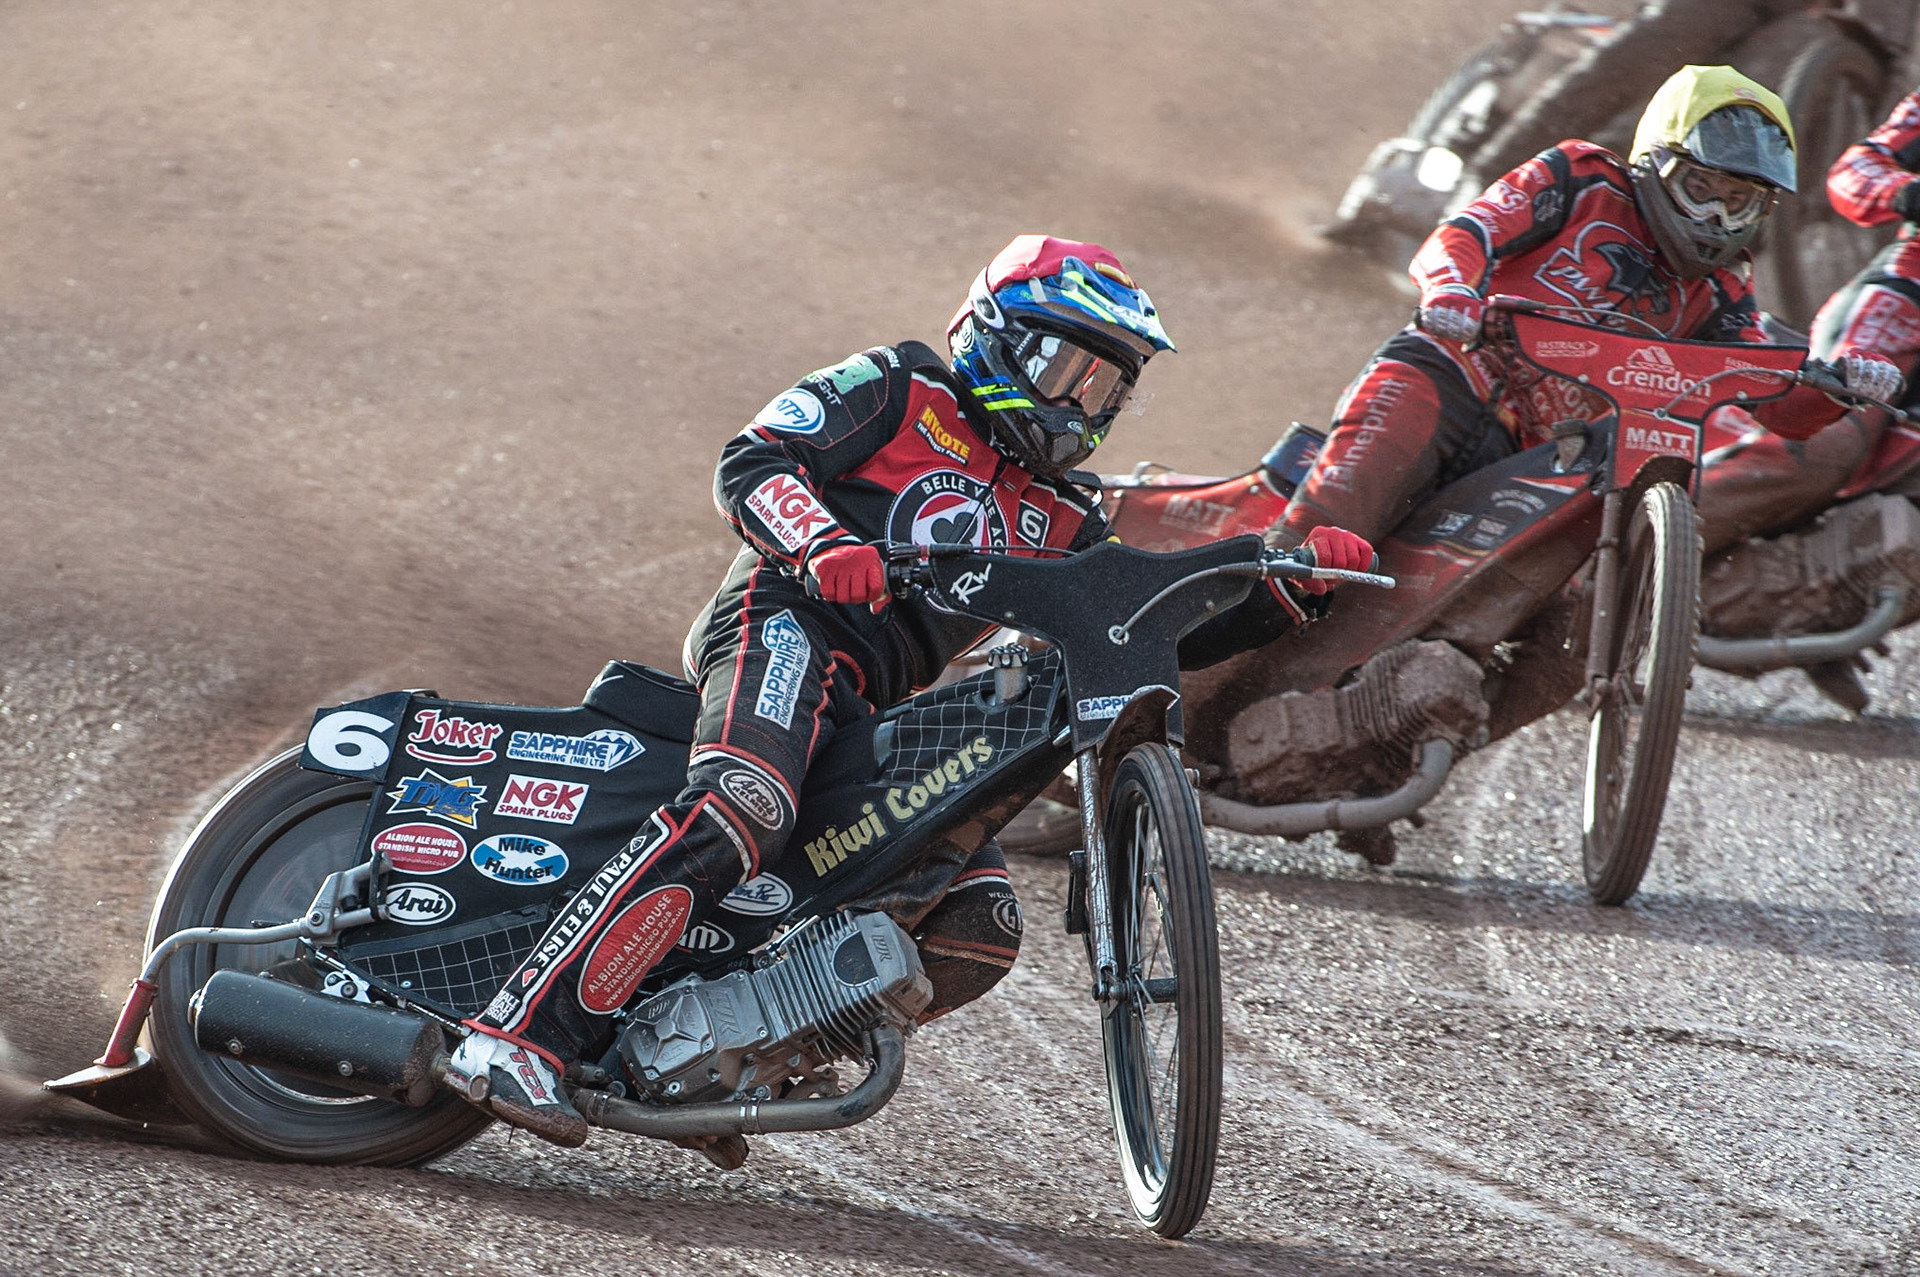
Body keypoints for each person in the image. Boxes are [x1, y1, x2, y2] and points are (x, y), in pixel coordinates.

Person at [443, 235, 1376, 1146]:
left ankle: (722, 1061)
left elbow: (1132, 627)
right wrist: (822, 543)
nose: (1079, 403)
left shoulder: (1065, 514)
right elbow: (753, 459)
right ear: (994, 335)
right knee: (744, 801)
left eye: (1105, 387)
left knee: (980, 925)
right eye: (1066, 369)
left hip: (873, 707)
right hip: (785, 622)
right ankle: (514, 1037)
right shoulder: (900, 384)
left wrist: (1281, 595)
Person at [1275, 65, 1903, 552]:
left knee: (1553, 620)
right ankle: (1239, 623)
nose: (1715, 216)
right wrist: (1450, 291)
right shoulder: (1580, 179)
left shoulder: (1724, 287)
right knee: (1321, 541)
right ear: (1659, 160)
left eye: (1736, 201)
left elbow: (1773, 403)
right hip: (1451, 377)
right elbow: (1466, 234)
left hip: (1542, 455)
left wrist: (1840, 389)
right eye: (1701, 188)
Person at [1692, 86, 1920, 710]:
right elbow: (1854, 171)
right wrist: (1905, 193)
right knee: (1827, 445)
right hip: (1905, 304)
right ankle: (1610, 554)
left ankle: (1821, 603)